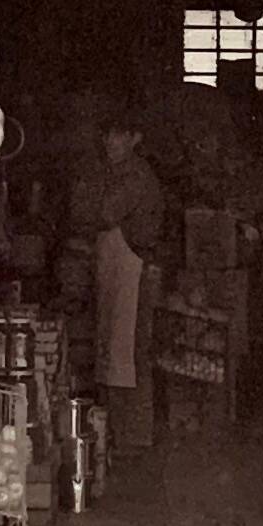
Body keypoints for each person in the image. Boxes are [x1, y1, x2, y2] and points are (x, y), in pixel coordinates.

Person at [71, 111, 167, 442]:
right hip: (116, 268)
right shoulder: (110, 172)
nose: (110, 142)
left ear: (134, 138)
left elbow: (104, 212)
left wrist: (89, 196)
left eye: (118, 135)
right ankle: (114, 434)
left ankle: (133, 437)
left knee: (130, 354)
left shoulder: (136, 175)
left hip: (135, 271)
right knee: (114, 351)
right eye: (107, 135)